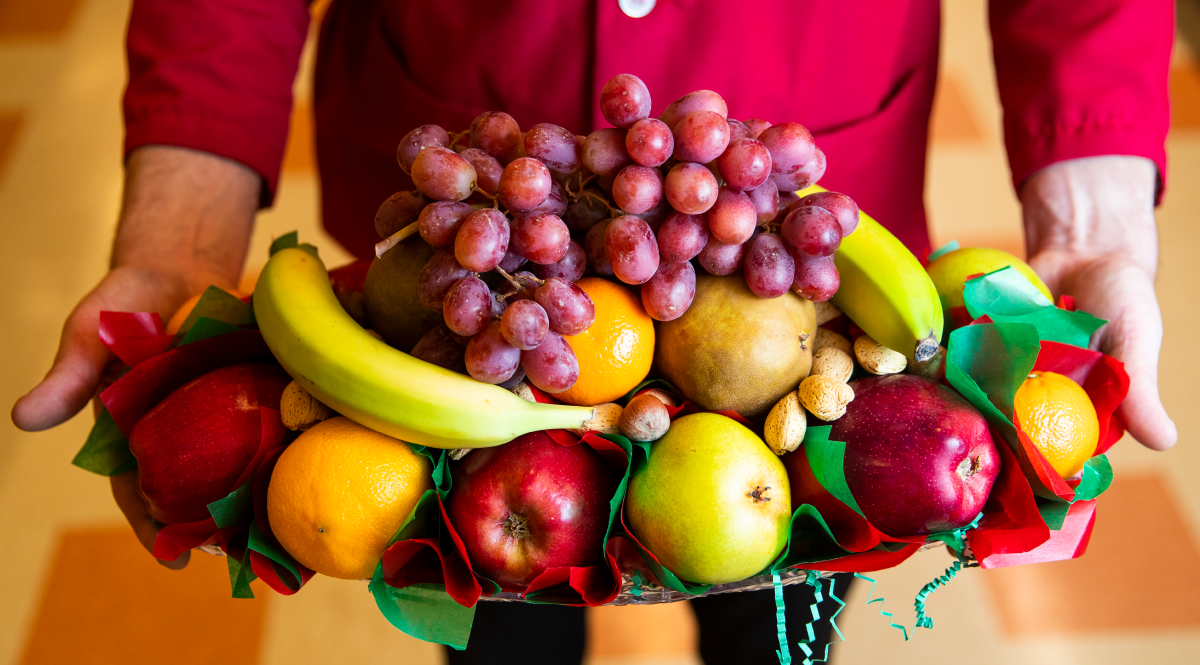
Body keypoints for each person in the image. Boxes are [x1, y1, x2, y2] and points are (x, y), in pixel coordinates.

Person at [10, 0, 1177, 662]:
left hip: (791, 227)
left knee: (783, 622)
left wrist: (1095, 211)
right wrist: (182, 226)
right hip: (472, 230)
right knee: (493, 616)